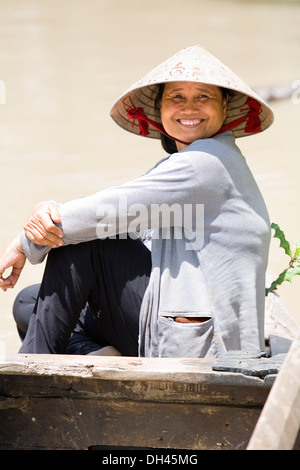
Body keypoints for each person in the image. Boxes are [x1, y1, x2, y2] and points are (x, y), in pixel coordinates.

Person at [0, 45, 274, 357]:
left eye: (203, 97)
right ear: (160, 108)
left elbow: (102, 216)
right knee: (29, 301)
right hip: (171, 319)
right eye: (177, 97)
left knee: (86, 242)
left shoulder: (209, 163)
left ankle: (30, 373)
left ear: (225, 107)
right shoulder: (183, 165)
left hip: (201, 347)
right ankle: (100, 356)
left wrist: (25, 242)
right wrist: (51, 215)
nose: (189, 107)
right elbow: (121, 218)